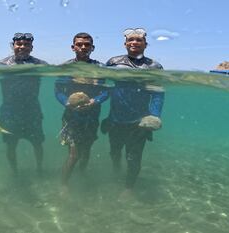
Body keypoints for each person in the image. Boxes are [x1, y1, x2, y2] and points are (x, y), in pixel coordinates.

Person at [102, 28, 165, 198]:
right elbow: (105, 88)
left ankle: (128, 187)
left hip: (139, 122)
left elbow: (157, 92)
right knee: (114, 151)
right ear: (125, 44)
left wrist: (154, 115)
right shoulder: (113, 62)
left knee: (133, 157)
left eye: (139, 40)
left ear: (145, 44)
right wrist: (95, 102)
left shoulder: (153, 66)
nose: (134, 42)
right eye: (131, 40)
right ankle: (116, 171)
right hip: (115, 120)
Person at [0, 32, 48, 176]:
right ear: (12, 46)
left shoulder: (40, 64)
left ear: (31, 47)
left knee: (37, 143)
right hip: (9, 112)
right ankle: (15, 172)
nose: (22, 47)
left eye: (26, 45)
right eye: (19, 44)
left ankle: (39, 169)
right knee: (11, 144)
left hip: (32, 112)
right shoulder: (2, 65)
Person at [54, 32, 109, 195]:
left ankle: (82, 173)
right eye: (79, 44)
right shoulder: (66, 68)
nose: (83, 47)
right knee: (74, 154)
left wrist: (95, 101)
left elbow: (106, 91)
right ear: (73, 47)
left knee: (86, 151)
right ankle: (63, 184)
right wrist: (67, 102)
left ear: (93, 47)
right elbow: (58, 90)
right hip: (71, 117)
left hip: (92, 118)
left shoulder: (100, 68)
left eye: (87, 44)